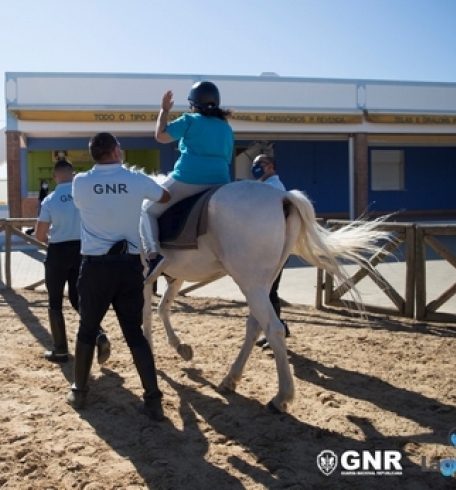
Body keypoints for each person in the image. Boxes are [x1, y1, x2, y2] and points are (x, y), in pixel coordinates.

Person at [67, 132, 171, 421]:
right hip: (128, 267)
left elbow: (84, 205)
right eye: (119, 147)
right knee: (135, 334)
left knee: (87, 329)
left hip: (95, 266)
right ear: (114, 151)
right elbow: (165, 195)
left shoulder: (80, 182)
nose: (122, 150)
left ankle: (79, 391)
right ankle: (153, 400)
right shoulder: (135, 180)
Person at [140, 80, 235, 284]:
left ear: (194, 103)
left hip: (188, 179)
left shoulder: (190, 120)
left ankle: (154, 256)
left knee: (147, 210)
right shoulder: (226, 128)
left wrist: (164, 110)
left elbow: (161, 136)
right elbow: (227, 157)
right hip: (220, 182)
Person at [34, 160, 111, 364]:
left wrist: (51, 237)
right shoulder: (84, 198)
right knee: (79, 299)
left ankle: (60, 350)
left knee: (55, 301)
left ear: (55, 177)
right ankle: (98, 334)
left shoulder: (49, 200)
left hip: (58, 251)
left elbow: (40, 235)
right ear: (73, 174)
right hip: (82, 250)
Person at [251, 154, 292, 348]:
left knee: (270, 291)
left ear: (271, 167)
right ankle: (276, 328)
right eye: (255, 164)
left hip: (273, 247)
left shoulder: (273, 188)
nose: (257, 167)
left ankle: (278, 329)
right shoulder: (265, 186)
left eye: (261, 164)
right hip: (267, 246)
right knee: (267, 291)